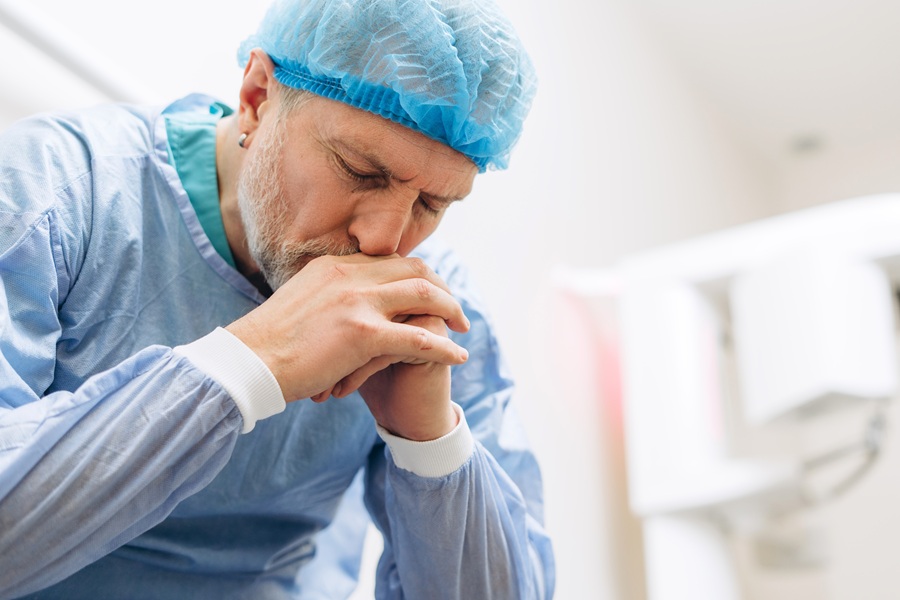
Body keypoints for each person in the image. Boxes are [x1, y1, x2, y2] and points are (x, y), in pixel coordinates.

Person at [0, 0, 554, 597]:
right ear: (259, 97)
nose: (384, 239)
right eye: (361, 171)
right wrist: (251, 361)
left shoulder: (431, 312)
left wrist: (430, 446)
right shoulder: (51, 192)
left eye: (431, 205)